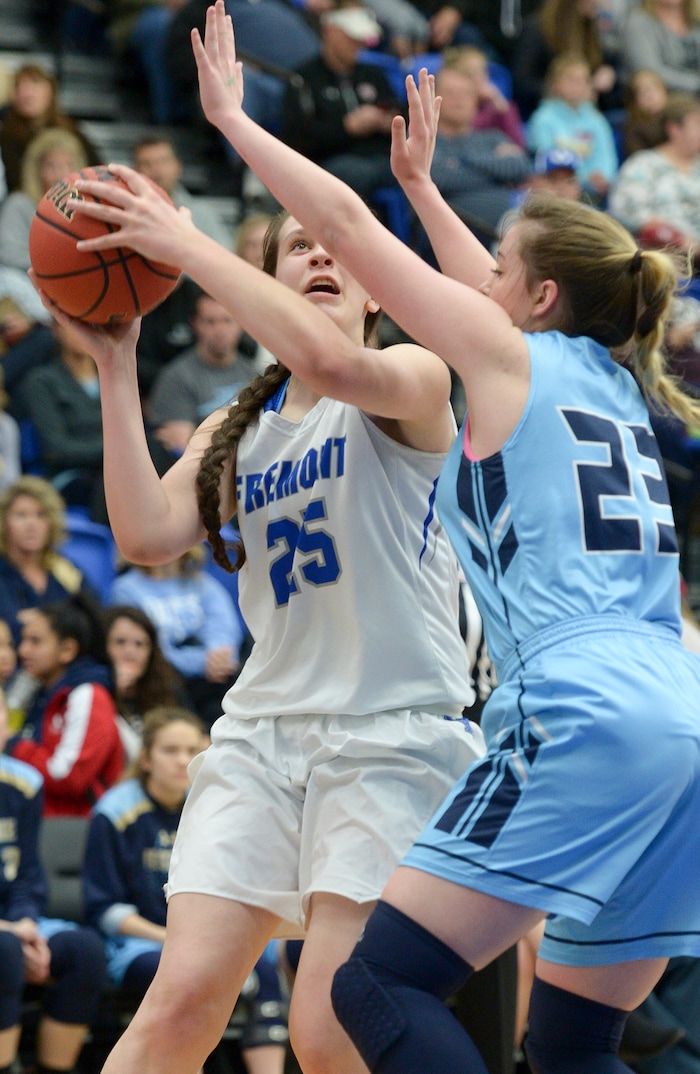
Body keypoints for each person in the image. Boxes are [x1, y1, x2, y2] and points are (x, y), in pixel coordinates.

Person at [136, 8, 700, 1072]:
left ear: (532, 296)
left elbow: (351, 229)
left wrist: (236, 130)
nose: (472, 277)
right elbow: (480, 296)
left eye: (495, 265)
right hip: (682, 716)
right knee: (575, 1050)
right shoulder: (605, 382)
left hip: (578, 708)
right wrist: (434, 194)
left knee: (375, 987)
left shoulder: (494, 361)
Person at [28, 38, 486, 1074]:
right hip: (264, 734)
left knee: (327, 1032)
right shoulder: (239, 426)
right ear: (266, 284)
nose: (320, 259)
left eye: (333, 253)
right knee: (180, 1001)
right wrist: (116, 361)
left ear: (375, 288)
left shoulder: (410, 379)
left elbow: (325, 357)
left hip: (387, 737)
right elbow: (144, 537)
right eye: (295, 253)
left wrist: (186, 242)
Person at [82, 705, 289, 1074]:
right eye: (170, 751)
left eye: (192, 751)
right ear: (146, 758)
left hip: (201, 938)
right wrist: (170, 939)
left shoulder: (211, 805)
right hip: (137, 944)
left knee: (269, 967)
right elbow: (104, 909)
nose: (182, 761)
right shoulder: (114, 812)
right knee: (185, 978)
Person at [0, 686, 108, 1074]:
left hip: (14, 920)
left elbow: (28, 872)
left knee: (85, 950)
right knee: (6, 950)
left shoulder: (24, 783)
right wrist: (12, 931)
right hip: (3, 932)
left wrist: (26, 922)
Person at [8, 594, 124, 816]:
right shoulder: (33, 689)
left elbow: (70, 776)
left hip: (72, 830)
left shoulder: (88, 695)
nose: (23, 651)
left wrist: (12, 745)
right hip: (35, 821)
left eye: (35, 641)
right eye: (23, 640)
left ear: (67, 650)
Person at [109, 547, 244, 730]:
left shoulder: (202, 583)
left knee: (236, 679)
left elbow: (224, 630)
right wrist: (203, 661)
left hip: (212, 675)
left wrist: (217, 656)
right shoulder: (125, 589)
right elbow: (145, 649)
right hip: (165, 678)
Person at [279, 3, 403, 201]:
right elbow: (298, 138)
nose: (359, 45)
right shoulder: (304, 78)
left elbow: (397, 109)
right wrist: (347, 127)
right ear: (329, 31)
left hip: (379, 156)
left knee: (418, 170)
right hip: (329, 162)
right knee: (355, 174)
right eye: (351, 38)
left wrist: (390, 122)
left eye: (362, 39)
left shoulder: (372, 74)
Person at [145, 287, 257, 459]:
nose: (219, 331)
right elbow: (183, 447)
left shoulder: (252, 373)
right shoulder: (175, 378)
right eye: (210, 321)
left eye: (227, 321)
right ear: (195, 324)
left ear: (240, 324)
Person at [15, 320, 107, 523]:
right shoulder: (42, 382)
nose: (84, 333)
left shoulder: (114, 378)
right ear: (57, 329)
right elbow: (58, 449)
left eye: (90, 325)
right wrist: (114, 452)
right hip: (73, 476)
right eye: (75, 325)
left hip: (114, 469)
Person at [429, 63, 530, 237]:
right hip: (454, 231)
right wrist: (496, 173)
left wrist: (461, 161)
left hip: (512, 227)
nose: (458, 99)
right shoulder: (425, 139)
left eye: (466, 93)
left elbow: (521, 167)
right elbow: (438, 178)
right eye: (450, 93)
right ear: (434, 98)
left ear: (476, 100)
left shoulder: (492, 137)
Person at [0, 476, 94, 648]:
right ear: (4, 522)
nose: (31, 524)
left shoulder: (64, 569)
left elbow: (92, 617)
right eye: (21, 515)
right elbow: (9, 628)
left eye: (41, 515)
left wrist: (36, 617)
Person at [609, 91, 700, 263]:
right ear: (674, 129)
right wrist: (674, 237)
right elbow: (624, 210)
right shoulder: (644, 164)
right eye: (697, 124)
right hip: (663, 257)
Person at [526, 53, 619, 203]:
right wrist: (584, 178)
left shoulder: (596, 119)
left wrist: (603, 176)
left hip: (597, 189)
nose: (579, 85)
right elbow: (547, 162)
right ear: (555, 83)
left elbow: (607, 156)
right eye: (572, 80)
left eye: (584, 80)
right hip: (560, 189)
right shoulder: (543, 119)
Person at [0, 62, 98, 195]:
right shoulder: (6, 134)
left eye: (34, 83)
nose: (26, 92)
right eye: (19, 85)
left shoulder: (71, 131)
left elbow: (95, 172)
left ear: (51, 90)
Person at [104, 605, 186, 763]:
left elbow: (190, 729)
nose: (130, 653)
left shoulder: (167, 683)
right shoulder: (93, 691)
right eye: (120, 642)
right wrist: (114, 693)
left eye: (140, 644)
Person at [511, 0, 620, 119]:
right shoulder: (538, 29)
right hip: (546, 114)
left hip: (585, 114)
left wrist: (608, 73)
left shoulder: (590, 29)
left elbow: (604, 66)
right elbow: (522, 82)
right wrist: (563, 90)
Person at [0, 127, 88, 272]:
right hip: (27, 280)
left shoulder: (86, 208)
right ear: (37, 170)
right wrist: (56, 265)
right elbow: (7, 253)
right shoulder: (19, 204)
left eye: (67, 166)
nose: (60, 175)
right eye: (52, 166)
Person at [132, 134, 234, 245]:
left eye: (163, 161)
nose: (156, 170)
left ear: (178, 166)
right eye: (146, 164)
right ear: (135, 171)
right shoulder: (128, 213)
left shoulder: (203, 214)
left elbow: (223, 255)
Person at [621, 0, 700, 97]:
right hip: (665, 97)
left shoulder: (696, 19)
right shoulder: (639, 22)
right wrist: (696, 84)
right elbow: (650, 72)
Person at [622, 68, 669, 159]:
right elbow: (638, 160)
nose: (650, 95)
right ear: (634, 99)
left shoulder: (678, 117)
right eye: (642, 91)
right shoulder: (633, 127)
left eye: (655, 88)